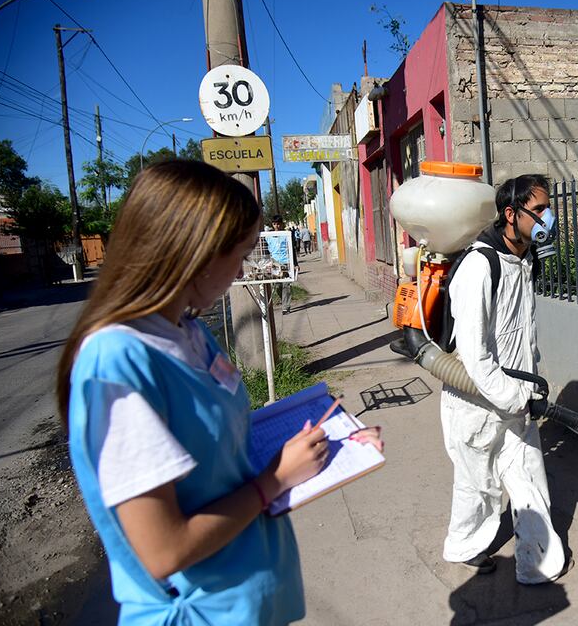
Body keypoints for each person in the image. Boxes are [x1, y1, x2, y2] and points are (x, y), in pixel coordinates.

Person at [56, 160, 382, 625]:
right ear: (200, 253)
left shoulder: (186, 329)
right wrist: (274, 481)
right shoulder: (117, 362)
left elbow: (220, 445)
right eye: (242, 252)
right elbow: (162, 550)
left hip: (249, 598)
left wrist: (334, 441)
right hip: (203, 611)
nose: (244, 267)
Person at [440, 173, 569, 584]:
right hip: (476, 405)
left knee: (528, 474)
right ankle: (463, 546)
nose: (547, 218)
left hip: (516, 396)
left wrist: (526, 385)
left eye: (549, 208)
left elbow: (520, 328)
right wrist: (514, 396)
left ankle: (536, 563)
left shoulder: (524, 258)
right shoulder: (479, 266)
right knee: (478, 486)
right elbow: (475, 355)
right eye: (539, 210)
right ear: (510, 214)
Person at [267, 215, 294, 315]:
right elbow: (265, 249)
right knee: (277, 285)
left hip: (285, 262)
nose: (276, 226)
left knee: (286, 285)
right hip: (274, 263)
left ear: (281, 224)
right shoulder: (268, 236)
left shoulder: (286, 234)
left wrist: (295, 263)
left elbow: (292, 249)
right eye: (274, 224)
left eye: (278, 224)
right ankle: (284, 300)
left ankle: (285, 307)